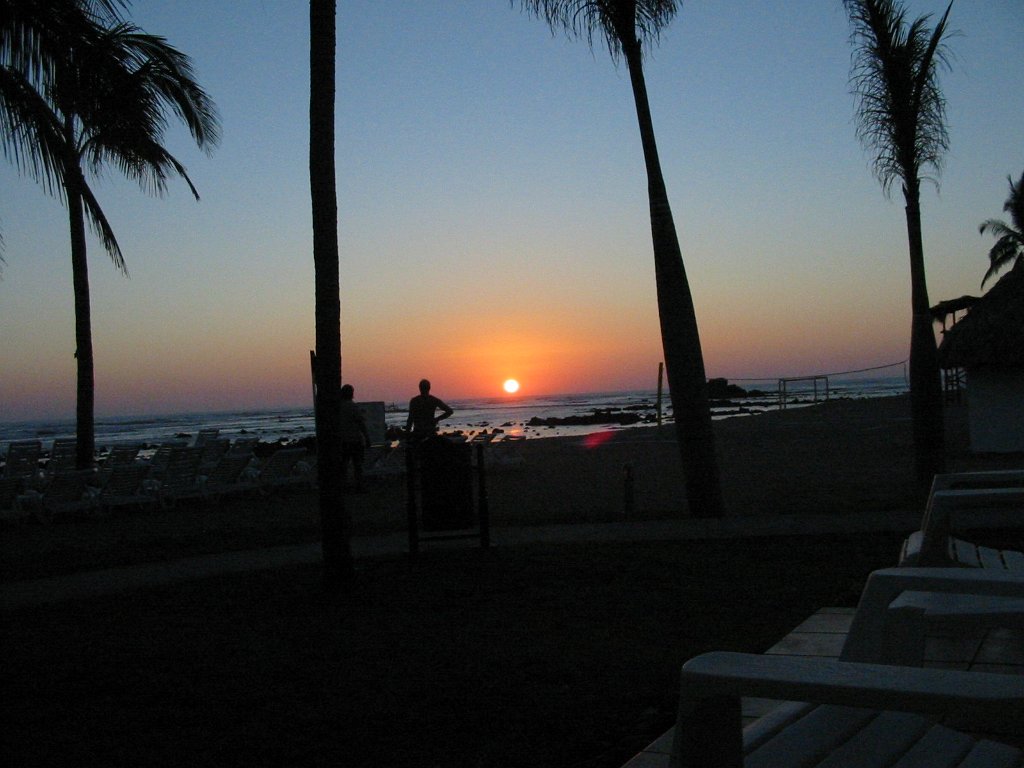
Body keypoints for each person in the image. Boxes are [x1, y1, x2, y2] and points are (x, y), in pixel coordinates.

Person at [339, 383, 371, 492]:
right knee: (357, 464)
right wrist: (367, 437)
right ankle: (359, 485)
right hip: (355, 440)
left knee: (344, 465)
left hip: (343, 441)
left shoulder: (338, 407)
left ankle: (344, 485)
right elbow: (360, 423)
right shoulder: (352, 406)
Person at [405, 378, 453, 443]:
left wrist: (407, 434)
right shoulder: (434, 400)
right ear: (429, 388)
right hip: (430, 433)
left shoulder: (414, 401)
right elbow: (450, 411)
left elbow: (410, 419)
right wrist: (437, 419)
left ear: (419, 388)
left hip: (419, 433)